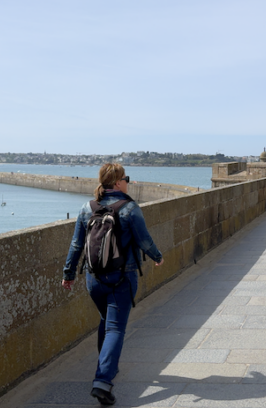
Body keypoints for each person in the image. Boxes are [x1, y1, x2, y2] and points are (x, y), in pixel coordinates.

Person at [61, 163, 163, 406]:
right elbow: (144, 240)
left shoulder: (87, 208)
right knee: (115, 328)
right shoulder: (129, 209)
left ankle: (105, 367)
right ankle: (103, 382)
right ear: (118, 183)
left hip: (93, 279)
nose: (128, 182)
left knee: (107, 322)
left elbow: (76, 245)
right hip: (122, 277)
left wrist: (68, 273)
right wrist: (158, 257)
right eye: (126, 178)